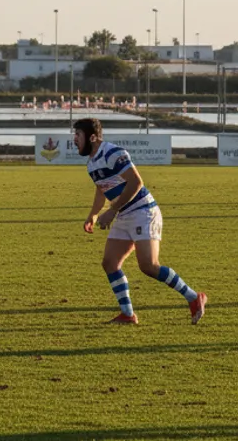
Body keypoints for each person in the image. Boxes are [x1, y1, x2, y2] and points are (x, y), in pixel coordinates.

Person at [74, 118, 206, 325]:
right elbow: (102, 189)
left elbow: (136, 182)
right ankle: (127, 314)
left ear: (92, 137)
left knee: (149, 266)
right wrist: (94, 214)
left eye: (78, 135)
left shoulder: (113, 153)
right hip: (125, 214)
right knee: (110, 263)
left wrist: (112, 210)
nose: (74, 140)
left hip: (143, 211)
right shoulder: (91, 162)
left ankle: (193, 297)